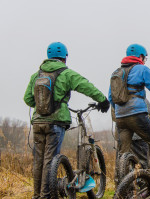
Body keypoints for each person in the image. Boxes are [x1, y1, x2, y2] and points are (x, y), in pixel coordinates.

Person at [23, 42, 110, 199]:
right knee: (50, 160)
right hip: (55, 122)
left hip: (37, 122)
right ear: (64, 57)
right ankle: (46, 196)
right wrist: (103, 100)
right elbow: (85, 85)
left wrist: (43, 104)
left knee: (39, 161)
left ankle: (37, 195)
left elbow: (28, 99)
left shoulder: (36, 75)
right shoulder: (66, 73)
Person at [108, 43, 150, 175]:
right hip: (137, 115)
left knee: (122, 154)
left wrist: (119, 111)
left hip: (120, 118)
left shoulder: (116, 72)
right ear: (140, 56)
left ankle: (121, 186)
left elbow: (111, 97)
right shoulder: (142, 69)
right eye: (144, 58)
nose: (144, 61)